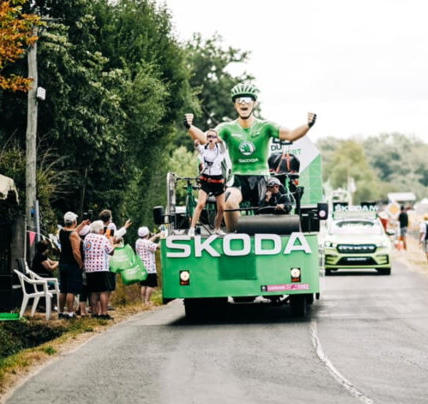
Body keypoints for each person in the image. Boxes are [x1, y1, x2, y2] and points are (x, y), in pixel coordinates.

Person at [184, 83, 316, 230]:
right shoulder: (227, 128)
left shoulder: (266, 126)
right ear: (235, 105)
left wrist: (308, 125)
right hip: (239, 179)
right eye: (239, 100)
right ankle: (234, 236)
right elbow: (204, 138)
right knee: (229, 202)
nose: (243, 103)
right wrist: (190, 127)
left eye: (247, 99)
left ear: (254, 103)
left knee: (265, 211)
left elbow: (291, 135)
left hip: (261, 178)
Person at [188, 129, 227, 236]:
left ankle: (217, 228)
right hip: (206, 179)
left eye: (213, 137)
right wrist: (196, 143)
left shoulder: (220, 149)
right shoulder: (204, 149)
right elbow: (198, 147)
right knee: (200, 204)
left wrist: (219, 140)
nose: (211, 138)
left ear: (216, 138)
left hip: (217, 180)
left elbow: (223, 145)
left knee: (221, 207)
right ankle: (192, 228)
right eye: (209, 136)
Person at [58, 212, 88, 319]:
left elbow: (72, 232)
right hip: (72, 264)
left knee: (63, 290)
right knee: (71, 290)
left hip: (62, 263)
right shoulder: (74, 235)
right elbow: (76, 252)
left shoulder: (61, 231)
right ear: (74, 222)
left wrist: (83, 224)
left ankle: (61, 312)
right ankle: (70, 313)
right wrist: (80, 263)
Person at [83, 220, 115, 319]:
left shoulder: (87, 237)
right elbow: (111, 251)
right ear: (100, 230)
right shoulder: (103, 238)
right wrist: (112, 242)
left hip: (89, 268)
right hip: (101, 267)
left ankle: (94, 313)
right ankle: (104, 313)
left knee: (93, 291)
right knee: (103, 291)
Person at [135, 227, 162, 306]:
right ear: (147, 234)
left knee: (143, 285)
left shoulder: (138, 242)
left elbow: (148, 242)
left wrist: (156, 236)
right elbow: (158, 247)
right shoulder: (148, 243)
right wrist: (162, 238)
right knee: (151, 285)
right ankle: (148, 301)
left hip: (142, 267)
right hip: (150, 268)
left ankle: (143, 302)